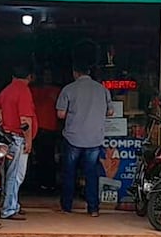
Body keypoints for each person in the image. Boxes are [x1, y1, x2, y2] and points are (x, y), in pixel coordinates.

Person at [56, 63, 114, 217]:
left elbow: (60, 114)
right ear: (89, 72)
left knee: (69, 173)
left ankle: (67, 207)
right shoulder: (102, 89)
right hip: (94, 138)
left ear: (75, 73)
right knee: (91, 174)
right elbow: (110, 112)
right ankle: (93, 208)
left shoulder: (69, 89)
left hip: (73, 137)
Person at [0, 64, 38, 221]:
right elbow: (25, 120)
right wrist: (28, 141)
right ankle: (9, 209)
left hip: (7, 136)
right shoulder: (23, 91)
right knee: (16, 175)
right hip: (18, 137)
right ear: (29, 77)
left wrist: (2, 121)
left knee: (10, 173)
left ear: (13, 77)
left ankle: (13, 204)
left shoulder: (8, 89)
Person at [29, 68, 61, 192]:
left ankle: (48, 183)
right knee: (38, 158)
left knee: (48, 157)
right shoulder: (33, 90)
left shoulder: (56, 91)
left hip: (49, 129)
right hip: (35, 128)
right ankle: (39, 183)